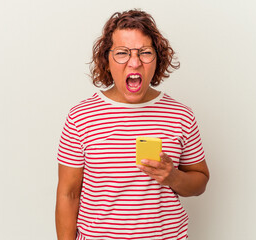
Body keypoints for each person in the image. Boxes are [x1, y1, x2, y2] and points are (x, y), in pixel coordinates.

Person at [55, 9, 210, 240]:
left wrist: (172, 177)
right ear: (106, 59)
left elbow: (200, 182)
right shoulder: (81, 117)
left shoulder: (180, 115)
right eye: (122, 53)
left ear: (157, 59)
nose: (134, 62)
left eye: (145, 52)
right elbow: (68, 194)